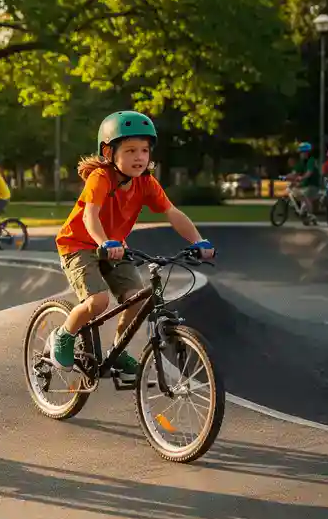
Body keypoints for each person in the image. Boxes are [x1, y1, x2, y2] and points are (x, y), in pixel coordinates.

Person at [47, 111, 215, 381]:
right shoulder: (100, 178)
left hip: (115, 247)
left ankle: (117, 351)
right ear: (109, 152)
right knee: (98, 301)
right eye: (130, 150)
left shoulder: (146, 182)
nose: (139, 157)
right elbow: (90, 215)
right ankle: (64, 335)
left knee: (138, 298)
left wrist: (198, 241)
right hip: (78, 244)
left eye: (144, 150)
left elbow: (172, 212)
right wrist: (104, 242)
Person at [287, 141, 321, 219]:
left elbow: (309, 173)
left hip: (313, 184)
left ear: (307, 153)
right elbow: (295, 173)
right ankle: (303, 212)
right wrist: (286, 177)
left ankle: (311, 215)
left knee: (306, 196)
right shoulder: (301, 162)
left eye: (302, 152)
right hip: (305, 184)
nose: (301, 154)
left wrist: (301, 178)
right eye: (300, 152)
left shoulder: (311, 160)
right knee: (295, 191)